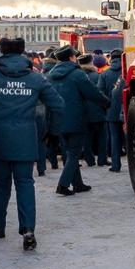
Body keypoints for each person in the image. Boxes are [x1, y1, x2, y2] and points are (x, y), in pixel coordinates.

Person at [0, 38, 64, 251]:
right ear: (22, 53)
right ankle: (28, 229)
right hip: (26, 139)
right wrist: (52, 132)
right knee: (25, 183)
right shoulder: (35, 79)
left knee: (1, 184)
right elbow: (58, 104)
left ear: (1, 53)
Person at [48, 47, 109, 195]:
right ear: (71, 58)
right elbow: (92, 93)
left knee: (69, 153)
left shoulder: (50, 75)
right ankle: (62, 185)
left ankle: (78, 184)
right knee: (74, 153)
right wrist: (107, 102)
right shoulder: (77, 74)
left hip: (58, 120)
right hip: (75, 119)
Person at [77, 54, 107, 167]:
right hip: (98, 110)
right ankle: (102, 159)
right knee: (102, 137)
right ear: (91, 63)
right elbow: (101, 93)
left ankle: (89, 160)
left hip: (83, 111)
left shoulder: (78, 77)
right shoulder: (98, 76)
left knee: (87, 138)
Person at [101, 49, 125, 172]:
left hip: (111, 111)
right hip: (126, 110)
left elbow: (100, 92)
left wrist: (107, 105)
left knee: (114, 138)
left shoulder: (105, 74)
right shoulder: (126, 71)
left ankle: (116, 165)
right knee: (129, 138)